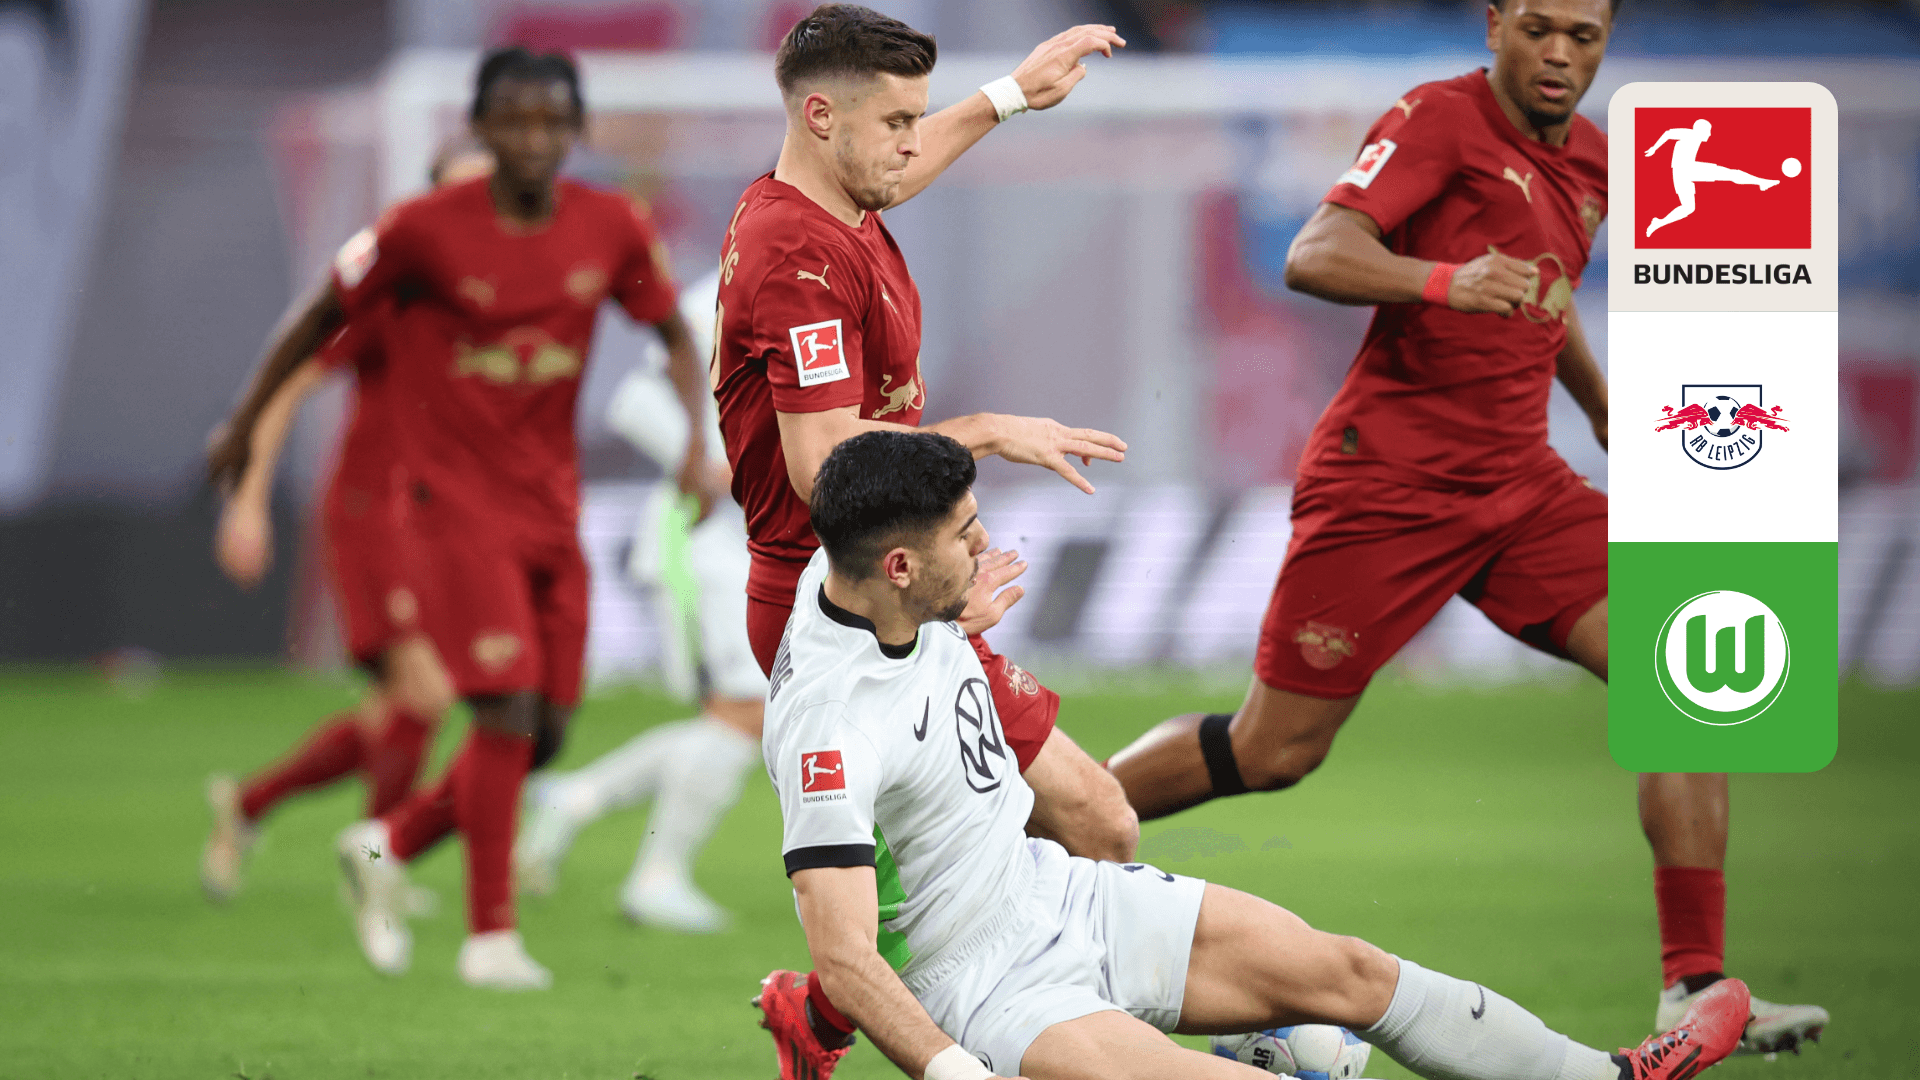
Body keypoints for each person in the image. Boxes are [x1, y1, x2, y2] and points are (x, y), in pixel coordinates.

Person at [1100, 0, 1827, 1055]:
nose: (1559, 53)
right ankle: (1020, 829)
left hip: (1520, 485)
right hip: (1388, 486)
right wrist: (1443, 279)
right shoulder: (1438, 119)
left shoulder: (1592, 158)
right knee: (1273, 750)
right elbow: (1315, 251)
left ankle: (1696, 985)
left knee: (1682, 677)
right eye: (1538, 28)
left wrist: (1599, 403)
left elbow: (1543, 290)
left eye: (1583, 35)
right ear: (1495, 26)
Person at [765, 428, 1753, 1080]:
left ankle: (1611, 1075)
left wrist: (950, 597)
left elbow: (862, 486)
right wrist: (952, 1069)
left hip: (1057, 893)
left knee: (1350, 974)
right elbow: (844, 955)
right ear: (901, 566)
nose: (985, 547)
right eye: (966, 535)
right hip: (983, 986)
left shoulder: (865, 570)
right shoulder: (830, 728)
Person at [220, 46, 707, 990]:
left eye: (551, 120)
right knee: (499, 706)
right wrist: (242, 432)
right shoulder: (419, 232)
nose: (532, 138)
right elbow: (315, 319)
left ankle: (388, 843)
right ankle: (491, 938)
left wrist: (694, 442)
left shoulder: (609, 225)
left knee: (545, 733)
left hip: (551, 511)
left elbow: (674, 335)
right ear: (480, 128)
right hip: (450, 508)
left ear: (577, 130)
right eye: (512, 120)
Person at [711, 8, 1139, 1075]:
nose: (912, 142)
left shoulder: (829, 200)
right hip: (848, 603)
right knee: (1093, 824)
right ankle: (1061, 1042)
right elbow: (823, 468)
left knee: (1065, 832)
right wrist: (985, 432)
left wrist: (1010, 97)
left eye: (916, 118)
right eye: (896, 121)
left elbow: (895, 173)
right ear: (822, 116)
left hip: (900, 587)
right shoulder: (797, 258)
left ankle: (833, 1013)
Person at [197, 146, 494, 904]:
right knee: (426, 692)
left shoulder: (493, 296)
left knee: (393, 713)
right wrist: (248, 500)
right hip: (372, 513)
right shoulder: (390, 295)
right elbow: (288, 384)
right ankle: (376, 860)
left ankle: (248, 806)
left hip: (434, 519)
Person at [513, 270, 763, 932]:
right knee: (747, 713)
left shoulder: (833, 284)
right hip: (708, 539)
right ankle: (656, 876)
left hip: (755, 545)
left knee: (748, 716)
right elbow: (637, 397)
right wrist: (707, 468)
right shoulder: (731, 290)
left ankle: (577, 799)